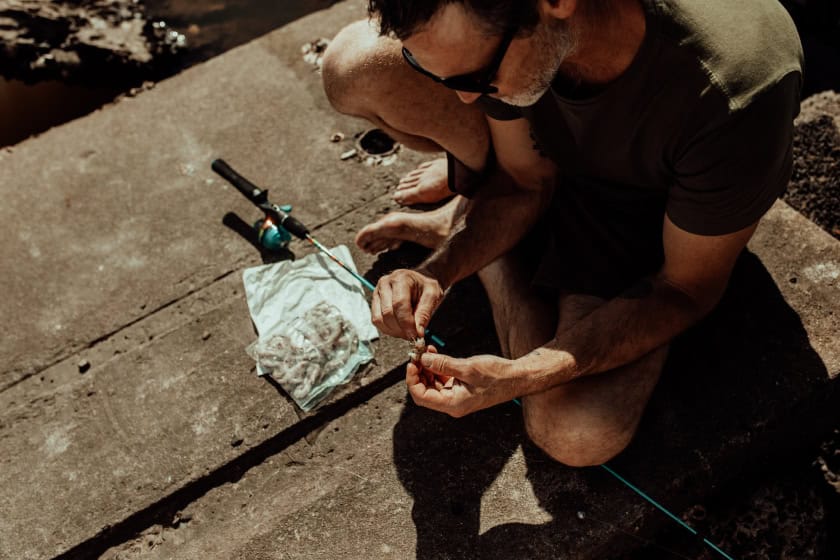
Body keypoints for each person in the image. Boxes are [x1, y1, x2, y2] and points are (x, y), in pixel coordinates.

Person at [321, 0, 802, 467]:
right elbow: (524, 182)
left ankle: (485, 245)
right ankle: (468, 211)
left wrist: (520, 375)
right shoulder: (511, 46)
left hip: (642, 210)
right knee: (352, 66)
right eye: (443, 78)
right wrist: (438, 272)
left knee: (576, 433)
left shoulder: (737, 93)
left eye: (474, 79)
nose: (466, 99)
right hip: (550, 153)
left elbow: (685, 288)